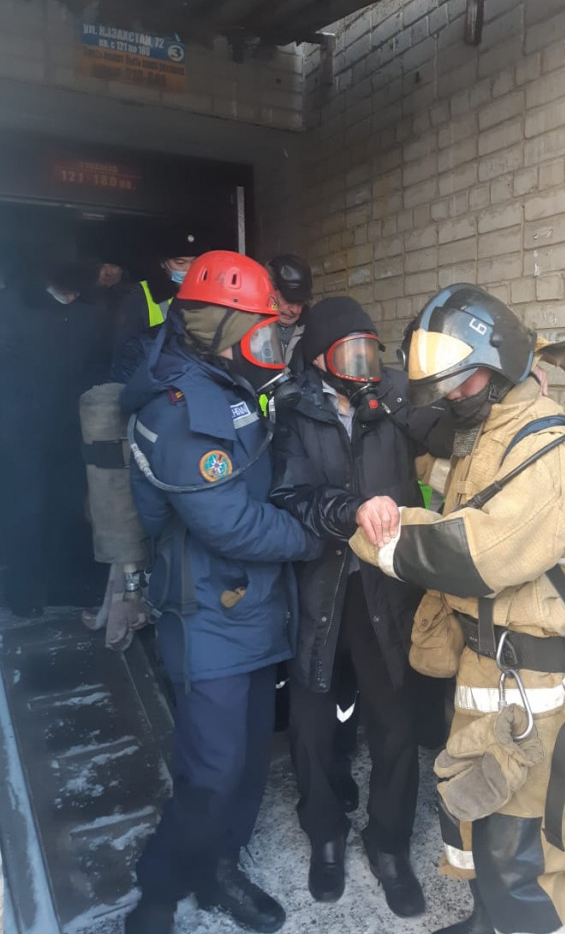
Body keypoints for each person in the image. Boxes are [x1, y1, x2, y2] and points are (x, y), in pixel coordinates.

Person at [349, 283, 565, 934]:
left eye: (462, 380)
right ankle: (491, 922)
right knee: (481, 827)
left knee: (522, 856)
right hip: (490, 672)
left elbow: (474, 553)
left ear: (500, 366)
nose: (451, 395)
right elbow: (450, 498)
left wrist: (377, 534)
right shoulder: (488, 435)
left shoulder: (553, 453)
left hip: (533, 686)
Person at [120, 251, 322, 934]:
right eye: (261, 331)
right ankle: (157, 892)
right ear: (222, 329)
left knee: (247, 759)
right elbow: (229, 521)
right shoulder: (184, 407)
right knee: (211, 770)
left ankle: (218, 870)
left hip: (253, 607)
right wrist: (311, 537)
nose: (271, 345)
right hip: (207, 612)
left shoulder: (225, 385)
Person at [269, 296, 453, 917]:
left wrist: (504, 391)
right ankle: (325, 834)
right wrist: (349, 510)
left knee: (394, 724)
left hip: (388, 590)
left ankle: (390, 844)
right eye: (350, 353)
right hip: (321, 591)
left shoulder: (395, 397)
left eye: (370, 351)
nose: (363, 365)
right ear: (320, 357)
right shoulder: (295, 408)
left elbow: (451, 430)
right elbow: (291, 494)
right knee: (313, 725)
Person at [0, 259, 108, 615]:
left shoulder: (90, 310)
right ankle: (24, 593)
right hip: (21, 432)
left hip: (70, 429)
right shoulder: (13, 306)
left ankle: (66, 585)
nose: (73, 296)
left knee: (70, 509)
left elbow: (97, 364)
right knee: (26, 511)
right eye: (68, 290)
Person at [110, 225, 207, 379]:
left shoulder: (207, 293)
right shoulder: (139, 295)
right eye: (180, 263)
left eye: (194, 262)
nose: (188, 270)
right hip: (154, 380)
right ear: (163, 263)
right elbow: (123, 353)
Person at [265, 254, 313, 373]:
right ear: (269, 292)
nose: (295, 310)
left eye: (300, 303)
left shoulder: (313, 332)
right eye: (288, 300)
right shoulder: (250, 332)